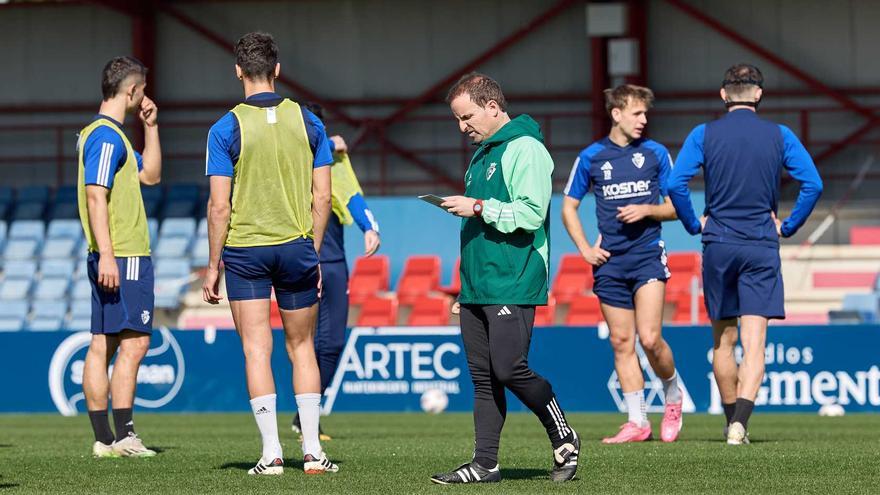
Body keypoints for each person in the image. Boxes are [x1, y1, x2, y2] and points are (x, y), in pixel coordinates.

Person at [431, 73, 579, 485]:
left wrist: (477, 206)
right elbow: (478, 232)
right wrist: (467, 287)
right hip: (480, 283)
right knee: (483, 378)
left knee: (510, 369)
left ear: (493, 106)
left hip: (515, 276)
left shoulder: (526, 148)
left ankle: (563, 435)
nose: (463, 127)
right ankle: (485, 464)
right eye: (458, 120)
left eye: (467, 117)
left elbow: (531, 214)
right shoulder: (482, 154)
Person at [202, 31, 338, 475]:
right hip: (297, 246)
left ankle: (271, 454)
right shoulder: (310, 122)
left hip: (246, 251)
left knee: (257, 351)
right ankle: (314, 453)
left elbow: (219, 206)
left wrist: (211, 266)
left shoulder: (225, 128)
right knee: (302, 349)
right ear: (277, 70)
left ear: (237, 70)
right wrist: (313, 252)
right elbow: (323, 198)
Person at [668, 64, 822, 445]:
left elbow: (675, 182)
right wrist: (787, 226)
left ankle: (729, 420)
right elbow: (813, 183)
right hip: (760, 245)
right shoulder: (780, 135)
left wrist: (693, 223)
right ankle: (741, 424)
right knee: (755, 343)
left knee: (723, 340)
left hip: (718, 243)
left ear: (724, 94)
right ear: (758, 94)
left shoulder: (703, 134)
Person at [561, 84, 685, 444]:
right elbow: (568, 206)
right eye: (637, 113)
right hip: (610, 263)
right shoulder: (591, 157)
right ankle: (638, 422)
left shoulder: (656, 153)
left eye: (646, 114)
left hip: (647, 255)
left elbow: (676, 207)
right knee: (620, 341)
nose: (643, 120)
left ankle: (673, 393)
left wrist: (647, 209)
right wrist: (584, 248)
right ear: (616, 114)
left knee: (650, 338)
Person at [77, 55, 161, 458]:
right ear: (131, 90)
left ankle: (104, 440)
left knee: (104, 343)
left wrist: (151, 126)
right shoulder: (107, 137)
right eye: (142, 90)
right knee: (134, 344)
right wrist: (109, 255)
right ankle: (124, 436)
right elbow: (97, 194)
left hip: (112, 253)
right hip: (123, 255)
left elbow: (151, 177)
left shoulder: (105, 136)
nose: (144, 96)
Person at [290, 103, 381, 439]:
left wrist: (369, 227)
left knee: (332, 344)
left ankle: (305, 416)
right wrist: (330, 143)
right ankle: (304, 418)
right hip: (297, 261)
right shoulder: (286, 155)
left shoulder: (330, 157)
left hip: (332, 263)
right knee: (302, 343)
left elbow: (351, 193)